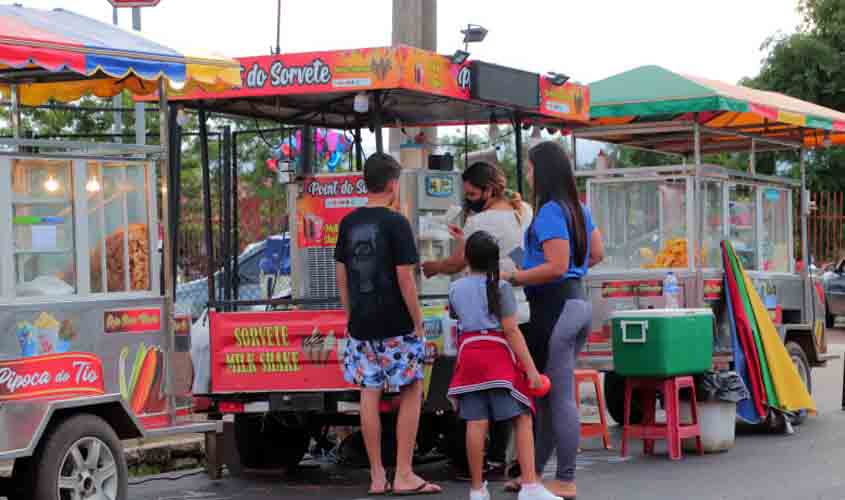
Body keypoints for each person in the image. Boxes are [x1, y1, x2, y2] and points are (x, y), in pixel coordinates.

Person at [502, 141, 604, 500]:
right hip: (575, 303)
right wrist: (570, 272)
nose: (527, 174)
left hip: (555, 308)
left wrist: (517, 277)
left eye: (529, 168)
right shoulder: (578, 209)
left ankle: (565, 477)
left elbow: (556, 265)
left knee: (558, 396)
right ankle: (534, 475)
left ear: (541, 171)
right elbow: (596, 253)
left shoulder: (548, 212)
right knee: (545, 395)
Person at [335, 153, 442, 496]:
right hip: (396, 321)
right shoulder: (397, 223)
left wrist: (350, 314)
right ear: (394, 184)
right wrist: (418, 321)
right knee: (411, 389)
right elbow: (405, 278)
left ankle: (378, 476)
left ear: (365, 182)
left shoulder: (348, 223)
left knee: (369, 393)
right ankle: (406, 473)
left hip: (361, 322)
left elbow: (341, 274)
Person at [422, 161, 532, 480]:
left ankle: (483, 471)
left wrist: (434, 266)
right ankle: (513, 463)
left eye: (471, 193)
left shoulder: (480, 222)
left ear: (487, 190)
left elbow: (459, 262)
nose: (468, 198)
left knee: (482, 405)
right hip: (522, 307)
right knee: (514, 396)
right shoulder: (523, 209)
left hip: (491, 322)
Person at [447, 231, 563, 500]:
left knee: (475, 423)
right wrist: (532, 371)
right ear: (494, 260)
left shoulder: (455, 288)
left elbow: (456, 317)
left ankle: (476, 490)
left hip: (469, 358)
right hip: (497, 359)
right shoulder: (501, 287)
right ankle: (531, 486)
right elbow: (512, 331)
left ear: (467, 258)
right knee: (521, 418)